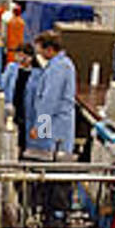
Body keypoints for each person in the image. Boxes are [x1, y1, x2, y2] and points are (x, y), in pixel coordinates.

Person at [30, 30, 77, 159]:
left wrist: (41, 128)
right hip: (57, 125)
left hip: (57, 126)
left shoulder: (59, 68)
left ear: (50, 49)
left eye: (41, 51)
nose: (39, 55)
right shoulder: (60, 64)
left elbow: (49, 100)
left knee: (57, 162)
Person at [0, 43, 38, 158]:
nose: (21, 59)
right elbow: (2, 85)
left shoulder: (37, 73)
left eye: (24, 56)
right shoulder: (11, 68)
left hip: (27, 109)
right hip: (12, 105)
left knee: (24, 134)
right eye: (18, 55)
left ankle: (23, 154)